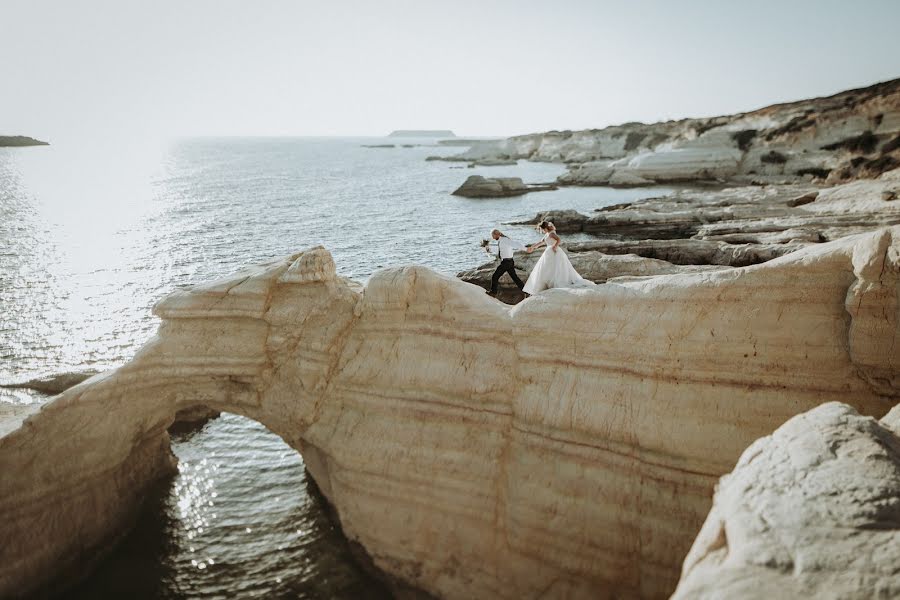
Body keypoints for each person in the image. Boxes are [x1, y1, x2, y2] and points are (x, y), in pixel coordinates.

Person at [522, 221, 592, 295]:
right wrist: (532, 247)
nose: (542, 231)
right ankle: (547, 284)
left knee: (557, 267)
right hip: (548, 253)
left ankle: (557, 283)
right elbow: (540, 242)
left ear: (545, 228)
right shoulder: (547, 234)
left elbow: (559, 239)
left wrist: (555, 246)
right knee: (547, 267)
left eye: (542, 229)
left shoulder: (551, 233)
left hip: (554, 251)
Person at [485, 229, 526, 296]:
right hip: (509, 262)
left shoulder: (505, 240)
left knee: (495, 276)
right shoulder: (501, 241)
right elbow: (500, 251)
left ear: (497, 234)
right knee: (515, 278)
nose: (492, 237)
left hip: (506, 262)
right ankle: (526, 291)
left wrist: (526, 249)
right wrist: (489, 250)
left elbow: (516, 244)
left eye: (493, 236)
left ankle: (493, 292)